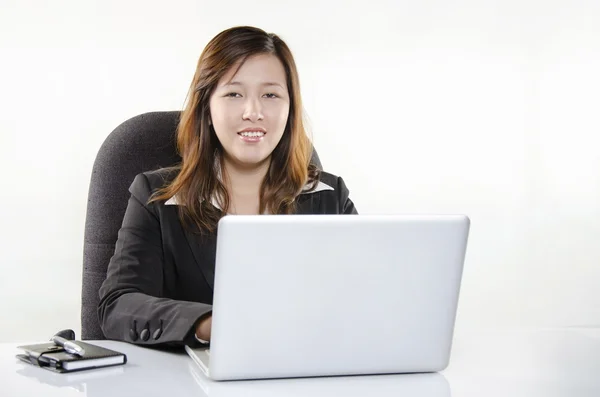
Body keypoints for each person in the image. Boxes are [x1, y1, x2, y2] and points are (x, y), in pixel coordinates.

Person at [97, 26, 358, 347]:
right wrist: (209, 324)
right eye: (234, 94)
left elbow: (365, 296)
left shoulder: (330, 198)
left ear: (290, 109)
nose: (253, 112)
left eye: (271, 95)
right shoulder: (156, 197)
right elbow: (119, 305)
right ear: (207, 107)